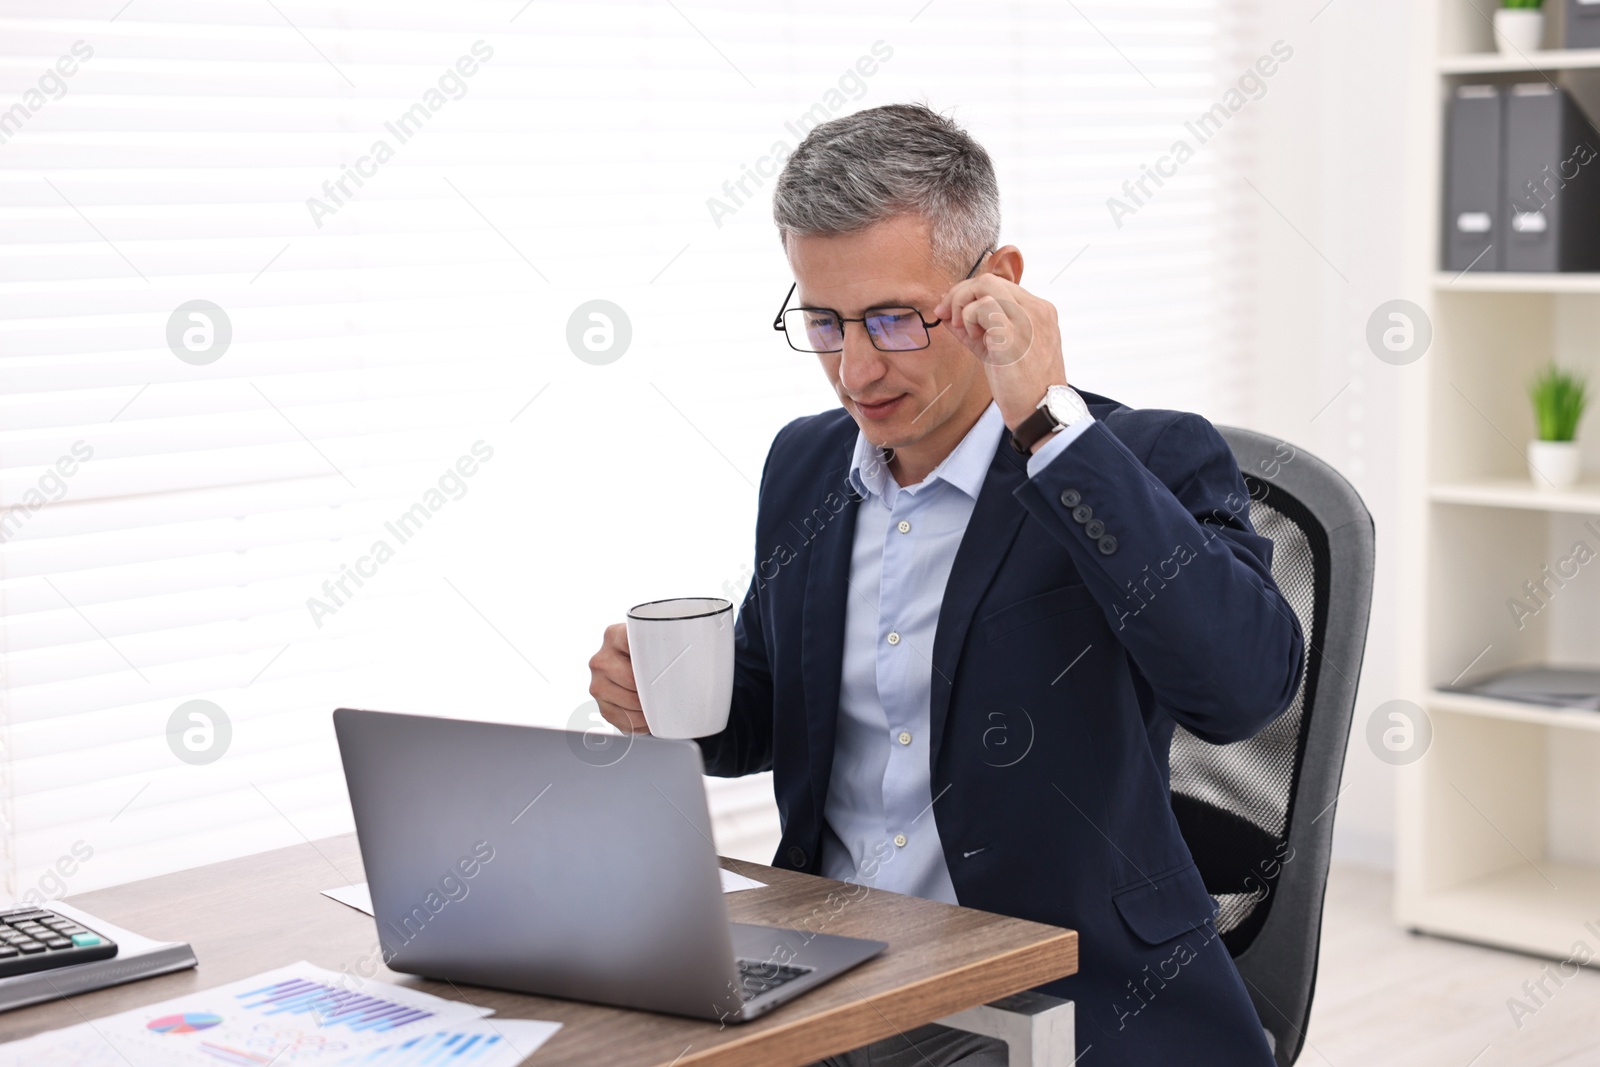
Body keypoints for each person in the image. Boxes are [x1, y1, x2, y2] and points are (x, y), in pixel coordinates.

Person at [589, 102, 1303, 1067]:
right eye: (825, 322)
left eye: (894, 318)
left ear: (997, 287)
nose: (857, 367)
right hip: (835, 980)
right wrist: (672, 702)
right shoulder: (805, 466)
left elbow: (1243, 689)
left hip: (1052, 996)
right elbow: (768, 718)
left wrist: (1050, 425)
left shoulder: (1138, 458)